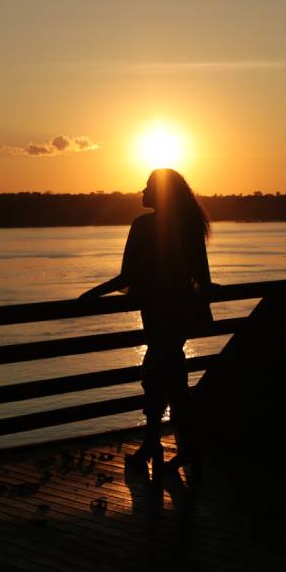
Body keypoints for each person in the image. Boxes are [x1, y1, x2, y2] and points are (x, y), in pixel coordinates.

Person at [80, 168, 213, 471]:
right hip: (178, 315)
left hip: (157, 313)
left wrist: (92, 294)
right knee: (172, 380)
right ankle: (172, 446)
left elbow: (127, 276)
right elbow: (201, 277)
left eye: (149, 186)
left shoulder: (143, 225)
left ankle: (157, 445)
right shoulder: (189, 226)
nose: (142, 191)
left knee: (156, 378)